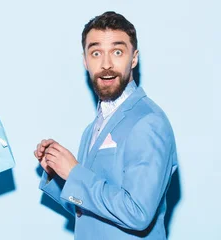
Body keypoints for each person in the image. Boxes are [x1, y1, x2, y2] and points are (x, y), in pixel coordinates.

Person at [34, 11, 178, 239]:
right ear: (85, 60)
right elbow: (87, 213)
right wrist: (58, 174)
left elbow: (138, 213)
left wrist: (74, 172)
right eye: (96, 53)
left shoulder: (149, 121)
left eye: (117, 52)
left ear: (134, 58)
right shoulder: (91, 130)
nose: (106, 64)